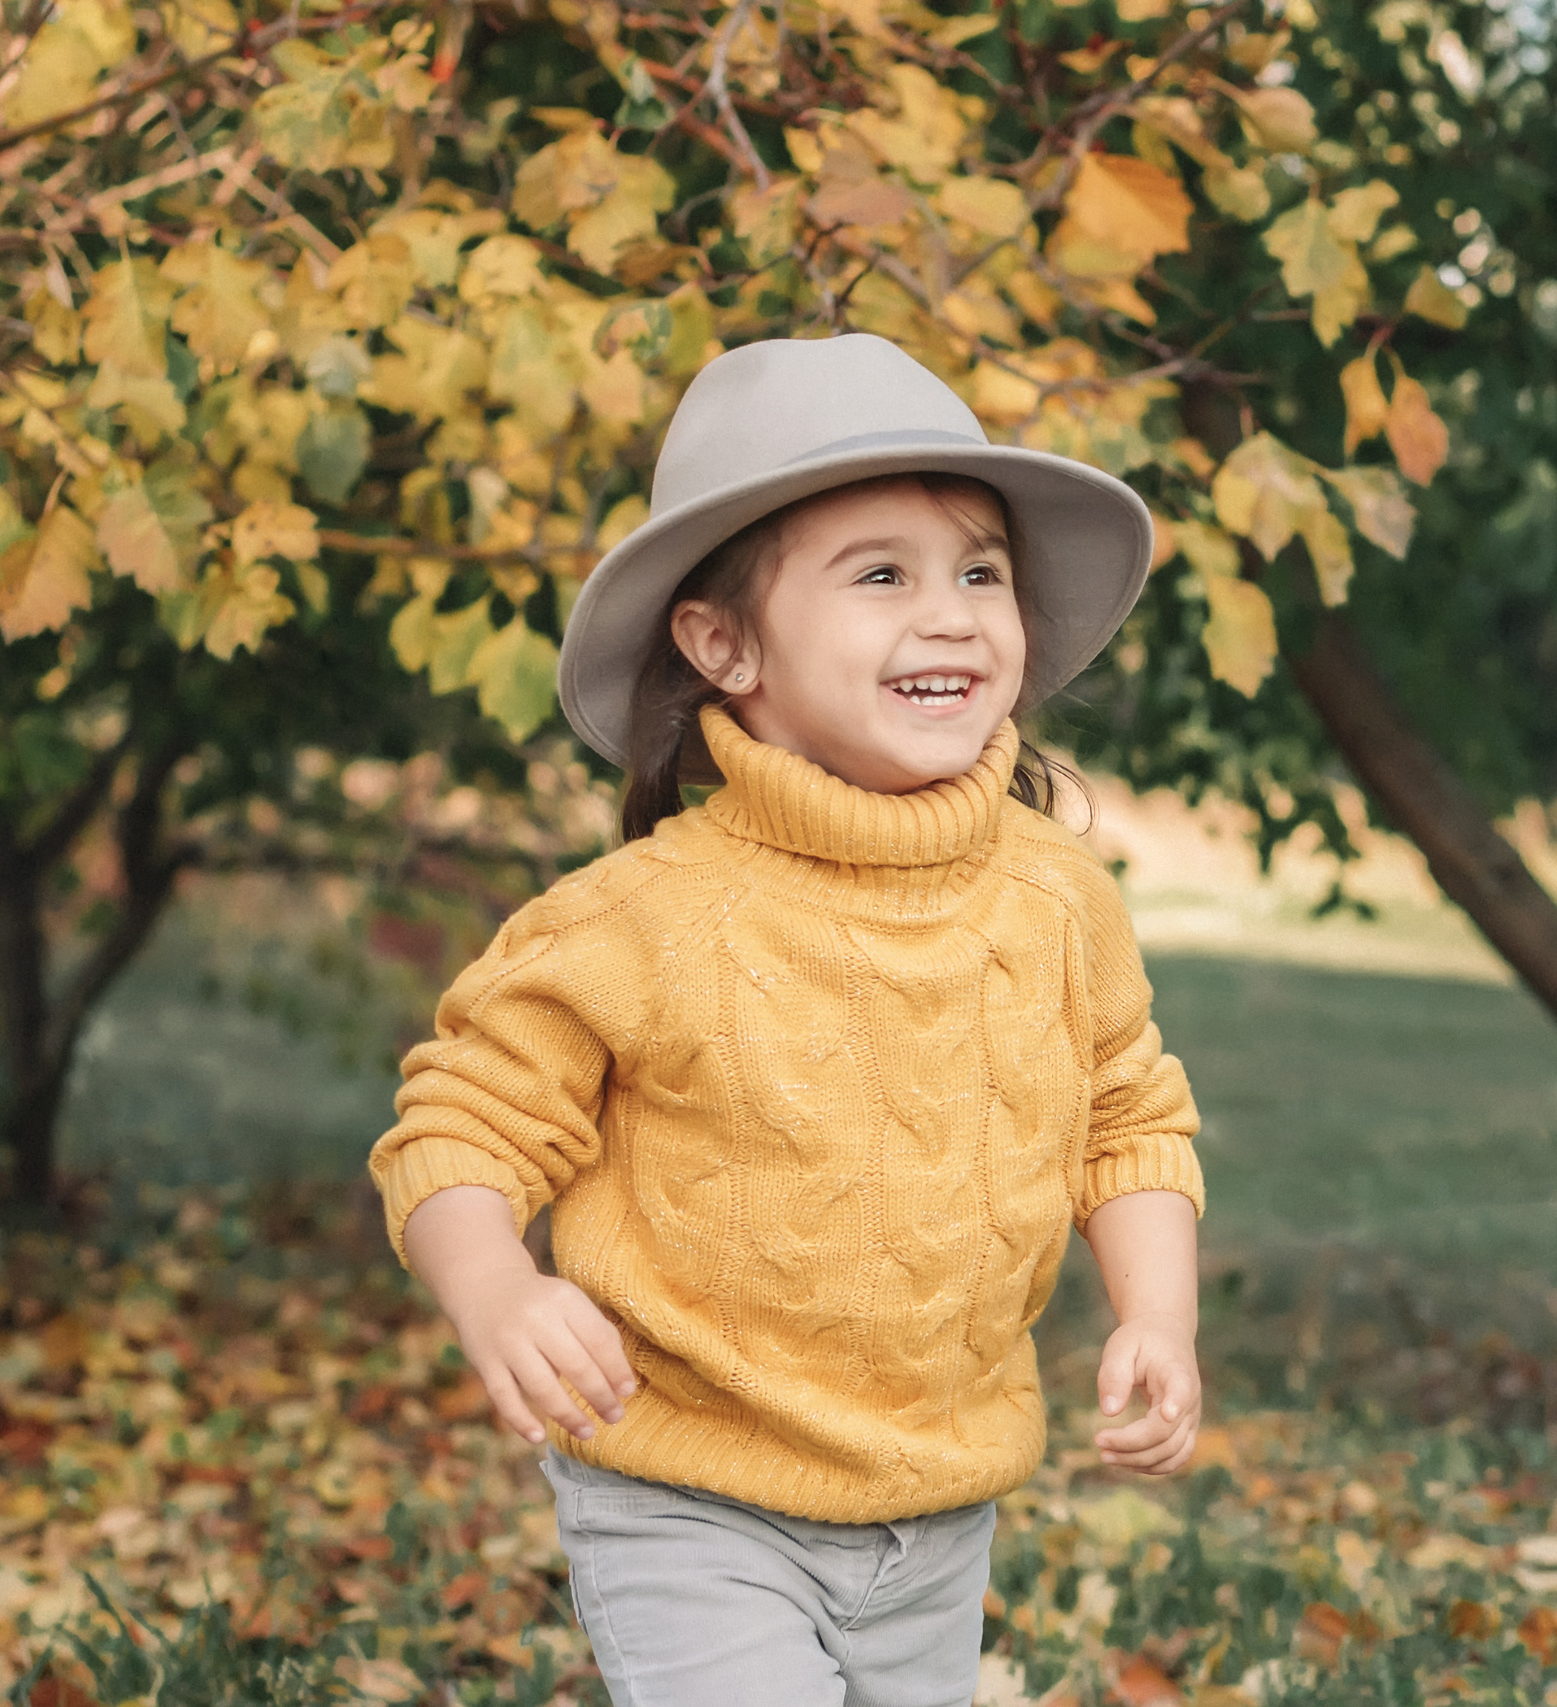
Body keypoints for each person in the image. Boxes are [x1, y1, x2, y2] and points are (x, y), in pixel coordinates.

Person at [368, 333, 1205, 1707]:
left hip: (938, 1503)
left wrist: (1156, 1316)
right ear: (724, 644)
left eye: (979, 571)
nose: (950, 615)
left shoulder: (1057, 898)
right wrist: (496, 1286)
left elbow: (1129, 1113)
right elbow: (460, 1123)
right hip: (690, 1492)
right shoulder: (644, 918)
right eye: (882, 574)